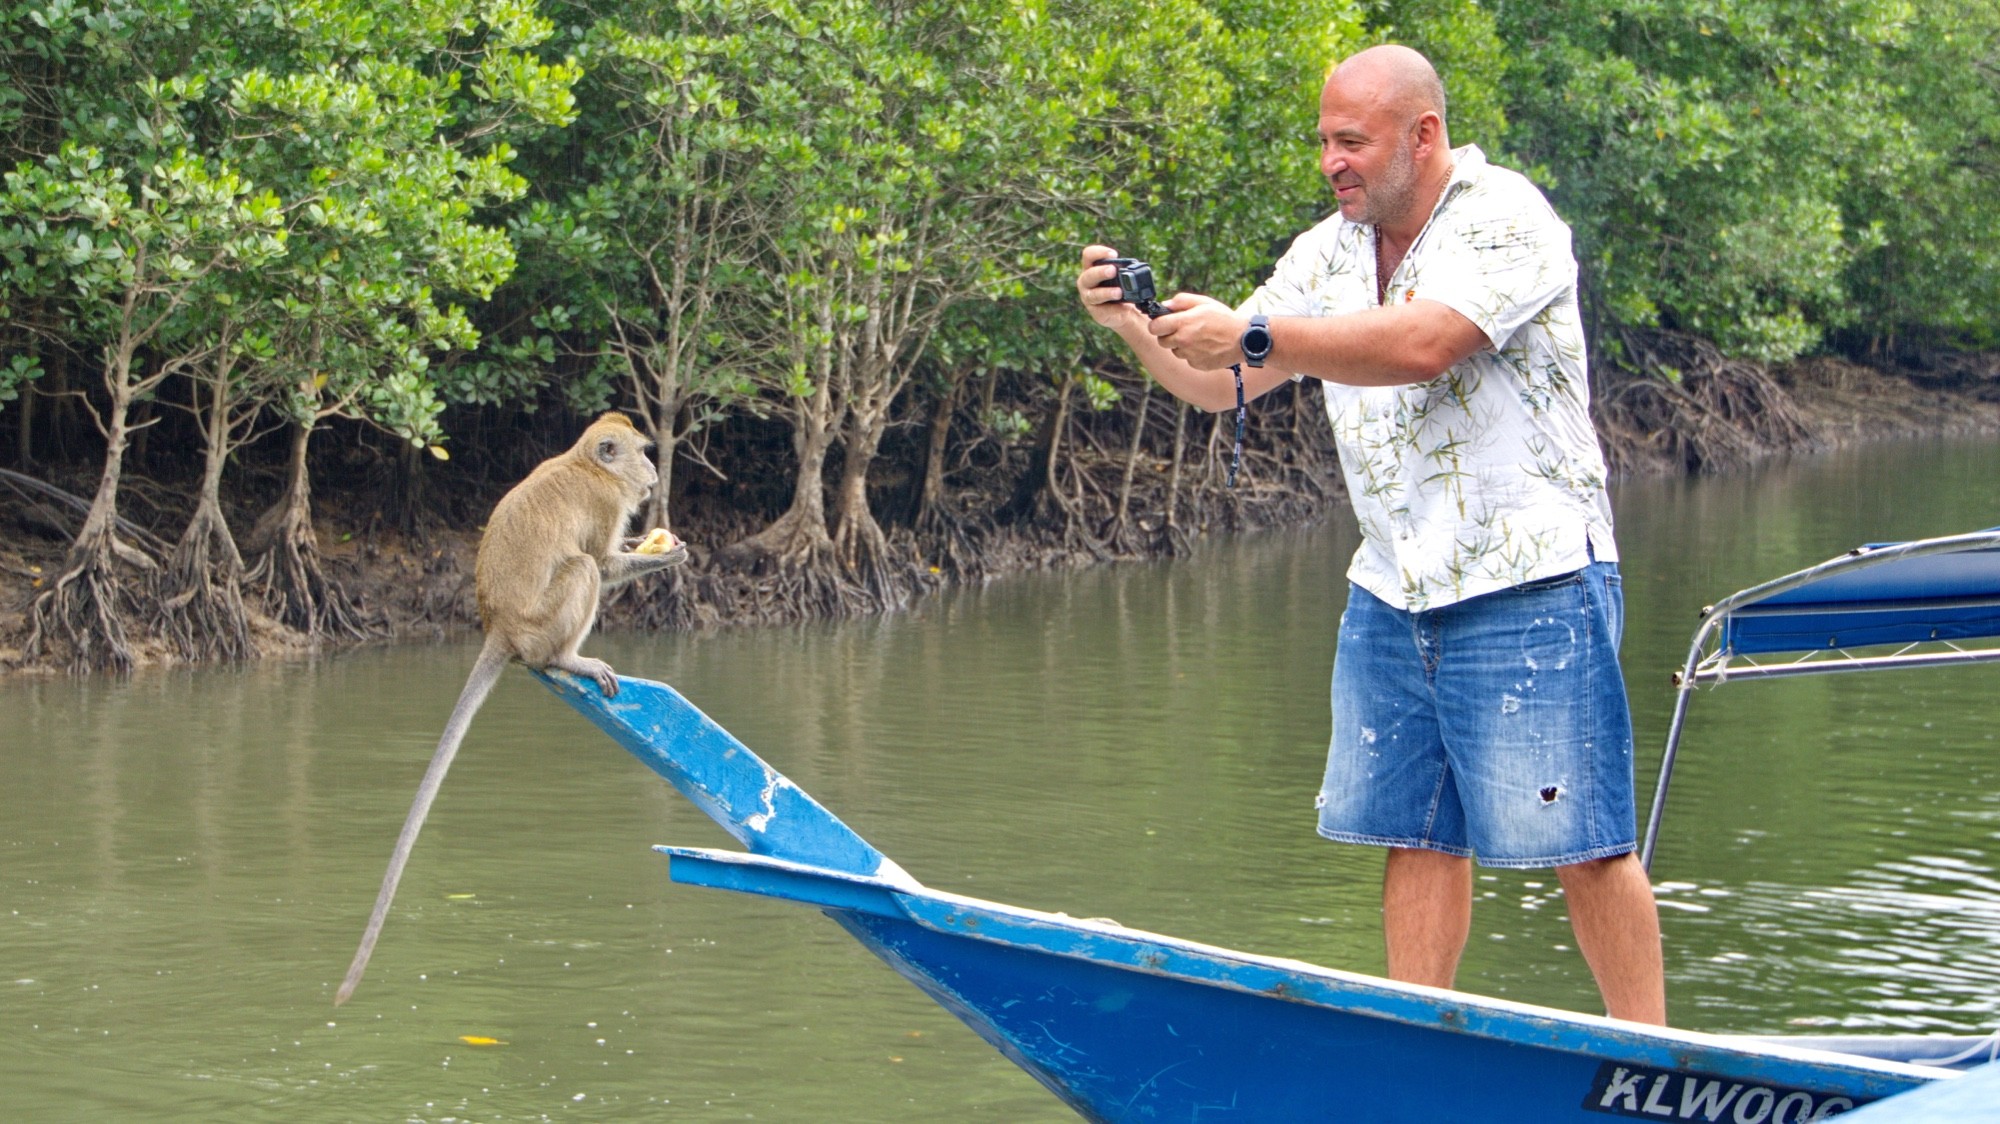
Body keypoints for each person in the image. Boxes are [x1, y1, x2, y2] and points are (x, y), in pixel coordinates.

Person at [1074, 44, 1666, 1025]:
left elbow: (1425, 343)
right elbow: (1222, 381)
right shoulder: (1327, 252)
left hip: (1531, 579)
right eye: (1322, 142)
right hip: (1394, 588)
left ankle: (1652, 1062)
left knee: (1583, 839)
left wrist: (1255, 333)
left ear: (1420, 135)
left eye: (1350, 141)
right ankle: (1413, 1048)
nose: (1330, 161)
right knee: (1416, 832)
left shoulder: (1505, 216)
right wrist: (1135, 325)